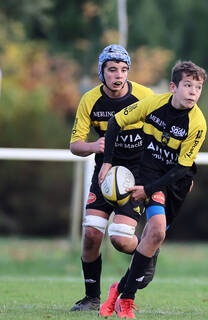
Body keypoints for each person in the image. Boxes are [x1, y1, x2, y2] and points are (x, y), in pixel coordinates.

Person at [98, 60, 207, 319]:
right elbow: (115, 123)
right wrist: (108, 162)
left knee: (152, 246)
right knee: (156, 229)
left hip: (175, 182)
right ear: (173, 87)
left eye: (198, 87)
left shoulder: (198, 123)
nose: (193, 92)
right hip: (149, 172)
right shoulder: (153, 104)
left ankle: (119, 289)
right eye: (188, 85)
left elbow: (181, 169)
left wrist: (147, 190)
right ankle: (127, 300)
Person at [69, 44, 158, 312]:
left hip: (137, 174)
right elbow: (75, 145)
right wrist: (95, 147)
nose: (118, 75)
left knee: (119, 238)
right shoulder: (90, 100)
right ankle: (91, 297)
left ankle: (147, 251)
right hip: (105, 174)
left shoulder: (144, 96)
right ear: (101, 72)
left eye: (123, 69)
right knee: (92, 234)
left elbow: (161, 131)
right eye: (111, 70)